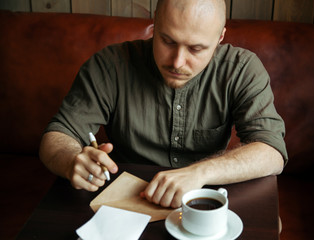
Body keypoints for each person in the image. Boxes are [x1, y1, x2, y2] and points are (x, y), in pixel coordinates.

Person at [39, 0, 288, 209]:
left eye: (196, 49)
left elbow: (271, 152)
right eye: (167, 41)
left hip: (203, 200)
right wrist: (72, 159)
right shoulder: (109, 65)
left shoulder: (241, 69)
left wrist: (199, 173)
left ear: (220, 36)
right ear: (155, 22)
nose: (178, 62)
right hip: (126, 203)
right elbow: (57, 136)